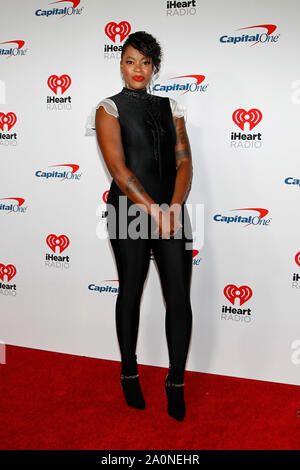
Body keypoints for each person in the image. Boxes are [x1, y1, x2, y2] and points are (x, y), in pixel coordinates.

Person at [95, 31, 193, 421]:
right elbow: (119, 170)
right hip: (130, 210)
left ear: (154, 67)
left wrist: (173, 208)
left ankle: (176, 381)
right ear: (120, 64)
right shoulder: (108, 108)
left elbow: (185, 162)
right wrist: (156, 211)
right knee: (131, 291)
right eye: (131, 60)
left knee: (180, 299)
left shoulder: (173, 106)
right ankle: (129, 371)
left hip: (171, 210)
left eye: (146, 62)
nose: (138, 69)